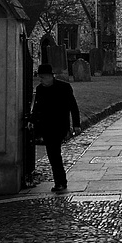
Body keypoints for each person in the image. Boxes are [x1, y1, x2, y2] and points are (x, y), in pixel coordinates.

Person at [31, 63, 81, 193]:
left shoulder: (64, 88)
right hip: (45, 126)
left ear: (50, 76)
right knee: (53, 155)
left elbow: (73, 107)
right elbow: (37, 107)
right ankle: (60, 181)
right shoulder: (40, 89)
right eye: (39, 78)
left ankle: (60, 182)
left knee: (54, 154)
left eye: (42, 77)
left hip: (59, 125)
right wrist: (33, 121)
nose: (41, 80)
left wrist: (76, 124)